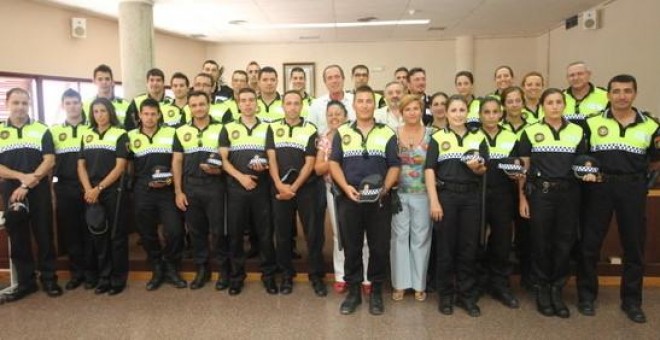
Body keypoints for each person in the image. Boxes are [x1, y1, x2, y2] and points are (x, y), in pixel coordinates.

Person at [576, 74, 660, 323]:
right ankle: (587, 297)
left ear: (634, 93)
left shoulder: (651, 126)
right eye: (616, 91)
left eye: (627, 91)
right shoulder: (591, 124)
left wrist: (643, 183)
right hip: (599, 189)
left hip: (632, 190)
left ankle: (632, 301)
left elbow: (655, 161)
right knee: (590, 245)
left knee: (634, 248)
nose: (621, 96)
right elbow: (581, 157)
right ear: (608, 94)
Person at [329, 85, 400, 316]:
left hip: (379, 201)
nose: (365, 105)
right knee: (352, 246)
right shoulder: (342, 133)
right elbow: (334, 164)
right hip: (350, 200)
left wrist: (385, 189)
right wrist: (345, 187)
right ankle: (353, 293)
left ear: (374, 104)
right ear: (354, 104)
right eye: (361, 101)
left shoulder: (387, 133)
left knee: (379, 247)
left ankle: (376, 291)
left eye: (369, 101)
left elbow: (394, 166)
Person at [518, 88, 587, 318]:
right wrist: (522, 198)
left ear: (564, 105)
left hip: (569, 194)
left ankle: (557, 289)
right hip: (541, 194)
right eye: (550, 102)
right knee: (540, 242)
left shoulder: (577, 132)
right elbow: (523, 169)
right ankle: (542, 289)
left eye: (559, 102)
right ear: (543, 106)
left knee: (564, 243)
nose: (555, 106)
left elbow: (583, 163)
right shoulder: (530, 131)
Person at [425, 95, 488, 317]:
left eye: (462, 110)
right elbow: (429, 170)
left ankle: (466, 296)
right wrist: (434, 200)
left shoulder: (479, 137)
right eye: (454, 110)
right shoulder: (437, 137)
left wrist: (476, 168)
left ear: (468, 112)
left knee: (468, 248)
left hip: (471, 198)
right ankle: (445, 296)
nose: (458, 114)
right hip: (446, 197)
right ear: (447, 113)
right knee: (446, 248)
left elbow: (483, 170)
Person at [0, 88, 61, 302]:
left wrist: (28, 182)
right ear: (8, 104)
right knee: (18, 238)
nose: (20, 107)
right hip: (10, 192)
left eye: (24, 103)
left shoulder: (42, 129)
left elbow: (49, 160)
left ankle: (49, 278)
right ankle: (26, 283)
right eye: (16, 103)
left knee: (44, 235)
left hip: (39, 191)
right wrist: (21, 177)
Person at [266, 90, 326, 296]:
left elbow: (310, 163)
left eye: (296, 103)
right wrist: (279, 185)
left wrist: (294, 187)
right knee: (282, 235)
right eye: (288, 103)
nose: (292, 107)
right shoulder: (272, 127)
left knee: (313, 234)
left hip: (306, 188)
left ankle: (316, 276)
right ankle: (286, 275)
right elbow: (271, 159)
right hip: (280, 188)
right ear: (283, 106)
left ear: (302, 106)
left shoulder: (311, 129)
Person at [219, 87, 278, 295]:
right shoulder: (227, 128)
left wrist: (267, 168)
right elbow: (223, 161)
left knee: (265, 233)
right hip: (236, 188)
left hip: (261, 188)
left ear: (257, 103)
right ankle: (237, 277)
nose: (247, 104)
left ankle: (269, 276)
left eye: (251, 100)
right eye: (243, 100)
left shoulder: (267, 128)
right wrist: (242, 177)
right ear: (238, 103)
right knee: (235, 235)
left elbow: (271, 158)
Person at [172, 91, 228, 290]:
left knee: (218, 231)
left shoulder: (222, 128)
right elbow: (177, 161)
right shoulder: (180, 131)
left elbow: (226, 160)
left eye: (202, 104)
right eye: (194, 105)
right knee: (196, 231)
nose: (198, 108)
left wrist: (218, 169)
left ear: (209, 104)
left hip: (215, 186)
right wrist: (178, 191)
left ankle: (223, 270)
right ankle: (202, 270)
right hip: (191, 187)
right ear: (189, 107)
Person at [129, 98, 187, 291]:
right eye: (146, 114)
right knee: (147, 233)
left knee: (175, 231)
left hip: (167, 190)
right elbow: (127, 166)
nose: (149, 117)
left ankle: (171, 265)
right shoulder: (130, 136)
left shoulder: (172, 133)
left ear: (159, 115)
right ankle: (157, 267)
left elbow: (177, 161)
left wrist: (173, 184)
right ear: (140, 115)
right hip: (142, 191)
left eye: (153, 114)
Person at [314, 100, 371, 295]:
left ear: (347, 116)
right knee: (339, 234)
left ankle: (365, 276)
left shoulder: (355, 134)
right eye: (330, 114)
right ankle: (341, 276)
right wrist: (336, 163)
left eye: (338, 114)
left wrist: (332, 162)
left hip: (356, 190)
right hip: (335, 190)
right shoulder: (325, 138)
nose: (334, 118)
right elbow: (318, 167)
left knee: (362, 234)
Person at [78, 97, 130, 296]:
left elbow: (120, 166)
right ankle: (104, 277)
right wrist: (88, 189)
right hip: (91, 192)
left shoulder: (120, 134)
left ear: (110, 112)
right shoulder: (87, 135)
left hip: (112, 191)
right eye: (96, 111)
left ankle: (118, 278)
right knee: (98, 236)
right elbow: (80, 165)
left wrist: (98, 188)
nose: (100, 115)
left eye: (103, 111)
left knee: (116, 237)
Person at [478, 97, 520, 308]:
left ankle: (500, 284)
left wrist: (516, 173)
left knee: (502, 240)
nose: (491, 116)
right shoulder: (473, 137)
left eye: (495, 112)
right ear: (480, 115)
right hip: (477, 195)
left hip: (503, 195)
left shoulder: (511, 137)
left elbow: (518, 167)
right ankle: (476, 282)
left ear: (501, 114)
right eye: (487, 112)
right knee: (476, 239)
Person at [390, 94, 433, 302]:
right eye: (408, 109)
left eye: (416, 108)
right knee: (399, 239)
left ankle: (419, 285)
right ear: (401, 112)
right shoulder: (393, 134)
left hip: (423, 195)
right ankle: (400, 284)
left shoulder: (431, 134)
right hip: (398, 195)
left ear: (421, 110)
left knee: (420, 238)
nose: (412, 113)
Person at [51, 89, 91, 291]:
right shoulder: (54, 131)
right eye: (68, 103)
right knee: (71, 232)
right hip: (65, 187)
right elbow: (50, 163)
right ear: (63, 105)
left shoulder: (91, 129)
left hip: (89, 187)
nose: (73, 106)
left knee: (90, 229)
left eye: (76, 102)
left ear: (82, 104)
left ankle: (92, 272)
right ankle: (77, 273)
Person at [308, 65, 356, 134]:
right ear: (325, 82)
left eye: (337, 77)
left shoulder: (355, 100)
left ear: (343, 79)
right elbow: (310, 131)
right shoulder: (316, 105)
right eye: (330, 78)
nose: (334, 81)